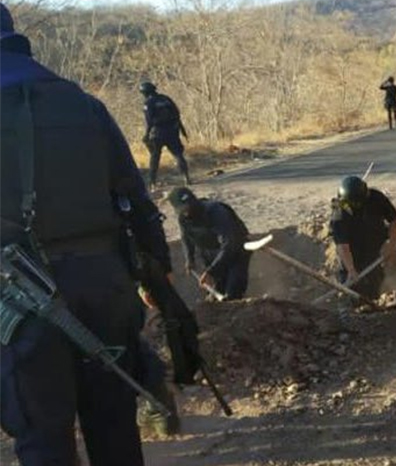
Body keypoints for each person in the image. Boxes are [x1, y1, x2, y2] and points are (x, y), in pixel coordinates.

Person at [0, 4, 172, 464]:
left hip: (21, 301)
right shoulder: (83, 103)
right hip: (106, 285)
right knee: (115, 426)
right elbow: (136, 200)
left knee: (43, 438)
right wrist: (158, 276)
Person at [168, 187, 251, 300]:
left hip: (236, 250)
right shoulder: (183, 219)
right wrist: (189, 258)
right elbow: (186, 237)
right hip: (210, 252)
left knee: (233, 293)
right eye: (183, 209)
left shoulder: (216, 211)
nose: (187, 211)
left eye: (189, 206)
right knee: (217, 292)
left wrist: (211, 271)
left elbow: (229, 243)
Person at [330, 176, 396, 300]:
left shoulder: (376, 198)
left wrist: (392, 245)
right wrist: (351, 270)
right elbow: (343, 247)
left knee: (375, 282)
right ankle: (349, 303)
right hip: (353, 251)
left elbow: (394, 220)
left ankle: (375, 298)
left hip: (374, 243)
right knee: (350, 288)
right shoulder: (339, 216)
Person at [140, 81, 191, 190]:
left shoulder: (148, 103)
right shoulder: (166, 99)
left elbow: (149, 121)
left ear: (144, 92)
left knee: (155, 157)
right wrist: (181, 129)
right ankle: (186, 177)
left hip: (157, 133)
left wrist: (146, 134)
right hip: (172, 131)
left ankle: (152, 182)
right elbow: (177, 114)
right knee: (178, 154)